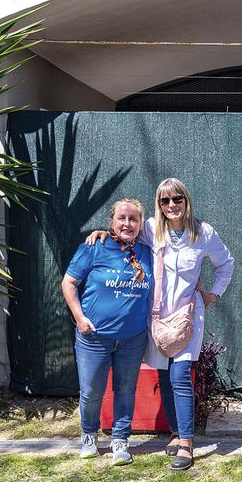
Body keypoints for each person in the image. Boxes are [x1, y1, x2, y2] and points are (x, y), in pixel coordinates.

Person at [87, 178, 234, 471]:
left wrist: (213, 294)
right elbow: (124, 234)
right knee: (164, 375)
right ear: (159, 204)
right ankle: (176, 432)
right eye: (165, 201)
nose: (171, 206)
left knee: (180, 374)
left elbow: (226, 263)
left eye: (176, 199)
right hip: (154, 316)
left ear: (186, 200)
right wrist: (103, 232)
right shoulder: (152, 229)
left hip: (187, 317)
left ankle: (187, 444)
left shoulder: (203, 232)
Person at [61, 198, 153, 466]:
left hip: (133, 338)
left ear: (140, 224)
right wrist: (80, 318)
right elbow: (68, 283)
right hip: (94, 337)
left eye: (133, 219)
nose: (127, 223)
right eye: (122, 218)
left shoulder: (148, 252)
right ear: (111, 221)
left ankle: (120, 440)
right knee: (91, 392)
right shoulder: (94, 247)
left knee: (126, 390)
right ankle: (89, 435)